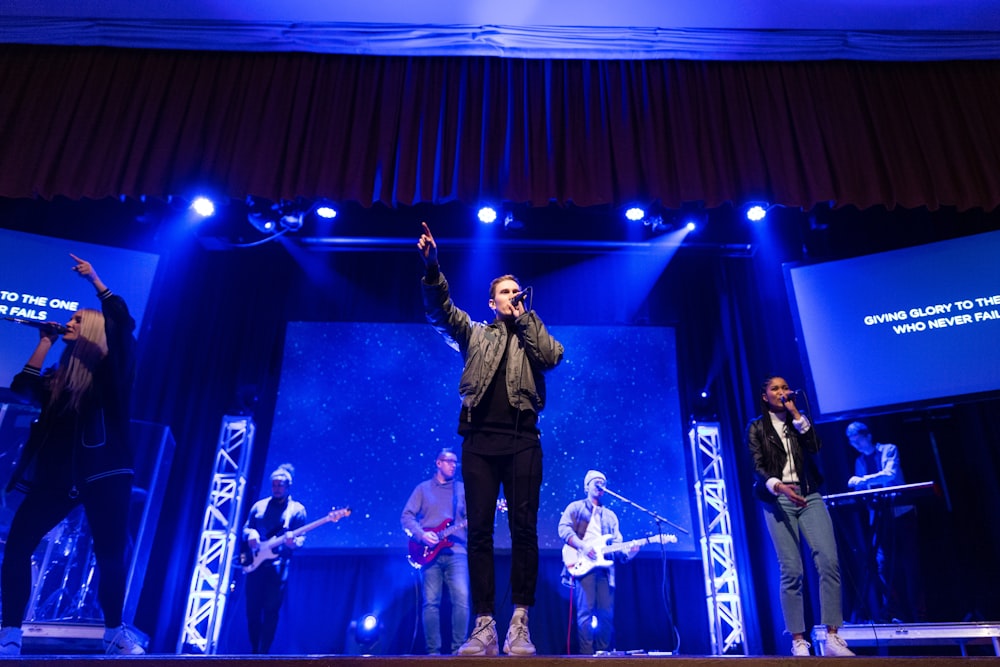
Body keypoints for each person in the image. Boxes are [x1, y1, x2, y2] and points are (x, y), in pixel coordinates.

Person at [418, 222, 564, 657]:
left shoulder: (531, 333)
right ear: (491, 301)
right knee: (479, 533)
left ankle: (520, 623)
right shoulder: (476, 335)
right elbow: (440, 311)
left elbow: (552, 357)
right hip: (478, 441)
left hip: (522, 441)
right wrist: (432, 268)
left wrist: (527, 320)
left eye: (517, 292)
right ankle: (484, 625)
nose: (513, 297)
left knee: (524, 531)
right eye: (505, 292)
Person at [0, 254, 144, 656]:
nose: (69, 323)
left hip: (105, 475)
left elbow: (124, 324)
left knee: (110, 553)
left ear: (93, 329)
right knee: (17, 548)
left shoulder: (111, 375)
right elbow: (21, 389)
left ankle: (114, 631)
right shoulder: (57, 381)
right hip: (57, 479)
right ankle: (10, 631)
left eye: (77, 320)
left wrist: (96, 280)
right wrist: (43, 342)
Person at [746, 376, 854, 657]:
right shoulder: (757, 427)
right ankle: (798, 640)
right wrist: (778, 486)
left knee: (828, 560)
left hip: (809, 495)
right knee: (792, 569)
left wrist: (796, 415)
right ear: (765, 396)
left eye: (784, 387)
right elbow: (757, 466)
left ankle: (832, 636)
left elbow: (816, 447)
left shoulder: (798, 421)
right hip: (777, 499)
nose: (782, 392)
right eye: (775, 389)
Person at [845, 421, 926, 623]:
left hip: (901, 513)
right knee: (883, 566)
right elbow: (862, 491)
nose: (857, 445)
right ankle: (895, 614)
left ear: (868, 435)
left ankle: (919, 616)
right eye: (852, 443)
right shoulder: (860, 461)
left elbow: (890, 475)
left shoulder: (889, 449)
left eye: (858, 440)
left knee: (910, 565)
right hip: (880, 518)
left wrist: (862, 481)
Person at [558, 470, 639, 655]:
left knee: (606, 615)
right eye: (596, 482)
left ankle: (603, 655)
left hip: (604, 570)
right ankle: (587, 657)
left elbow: (618, 546)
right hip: (582, 565)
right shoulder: (576, 508)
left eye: (603, 482)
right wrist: (583, 547)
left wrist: (630, 552)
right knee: (585, 614)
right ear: (587, 486)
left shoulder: (610, 516)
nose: (600, 485)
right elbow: (563, 529)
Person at [401, 447, 471, 654]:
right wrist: (422, 535)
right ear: (438, 463)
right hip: (428, 553)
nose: (453, 465)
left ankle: (459, 651)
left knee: (462, 599)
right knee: (431, 603)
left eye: (455, 462)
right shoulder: (422, 489)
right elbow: (406, 516)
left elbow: (473, 518)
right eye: (449, 461)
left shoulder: (462, 490)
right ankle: (434, 653)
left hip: (457, 551)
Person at [242, 463, 307, 654]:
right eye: (274, 485)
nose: (277, 488)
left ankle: (263, 653)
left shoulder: (296, 510)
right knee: (252, 610)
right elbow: (246, 528)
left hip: (279, 566)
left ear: (288, 486)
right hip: (255, 564)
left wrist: (292, 542)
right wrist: (251, 534)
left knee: (271, 611)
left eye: (280, 485)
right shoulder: (258, 506)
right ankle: (254, 650)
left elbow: (301, 540)